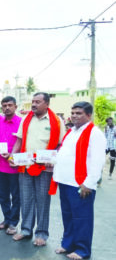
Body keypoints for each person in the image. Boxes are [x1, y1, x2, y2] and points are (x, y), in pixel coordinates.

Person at [53, 102, 106, 260]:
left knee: (82, 218)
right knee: (68, 216)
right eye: (73, 112)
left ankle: (82, 250)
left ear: (88, 115)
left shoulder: (94, 133)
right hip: (65, 181)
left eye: (79, 113)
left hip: (81, 184)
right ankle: (68, 243)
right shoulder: (71, 131)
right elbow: (65, 154)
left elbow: (98, 161)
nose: (74, 115)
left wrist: (89, 183)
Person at [10, 92, 65, 246]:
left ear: (47, 104)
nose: (34, 104)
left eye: (38, 102)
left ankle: (41, 234)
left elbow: (61, 144)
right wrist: (12, 157)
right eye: (33, 101)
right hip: (26, 166)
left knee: (42, 201)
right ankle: (26, 230)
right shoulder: (26, 119)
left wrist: (54, 159)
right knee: (26, 200)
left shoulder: (57, 121)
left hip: (45, 169)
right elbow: (19, 141)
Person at [0, 96, 21, 234]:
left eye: (10, 105)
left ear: (16, 106)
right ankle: (6, 219)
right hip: (0, 165)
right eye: (4, 105)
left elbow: (23, 143)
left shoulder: (22, 123)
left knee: (16, 196)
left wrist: (12, 154)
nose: (7, 108)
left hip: (14, 166)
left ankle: (13, 223)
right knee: (3, 195)